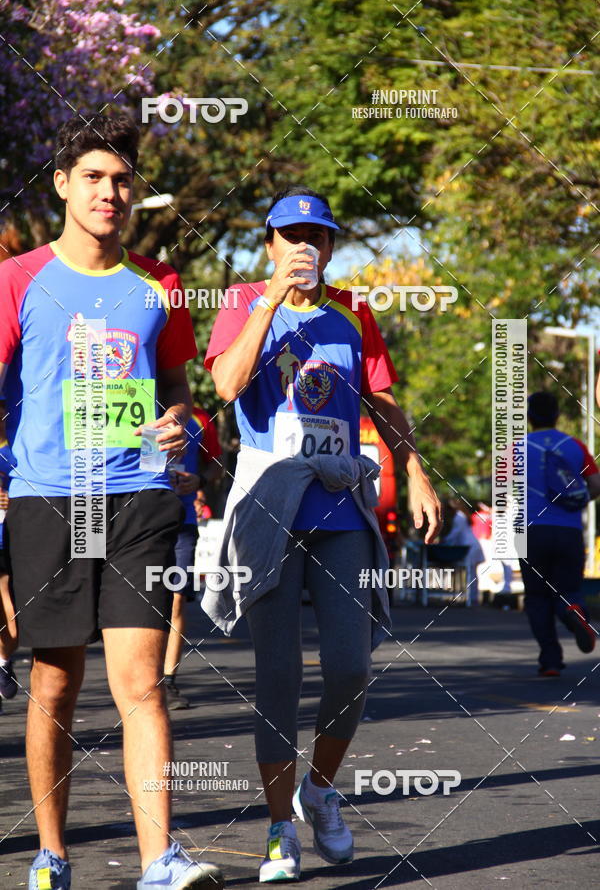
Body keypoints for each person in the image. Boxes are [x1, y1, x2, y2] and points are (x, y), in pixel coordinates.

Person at [0, 114, 223, 890]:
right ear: (63, 185)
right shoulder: (19, 278)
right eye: (93, 178)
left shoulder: (158, 283)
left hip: (135, 498)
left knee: (141, 683)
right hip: (49, 500)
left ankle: (162, 858)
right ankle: (51, 854)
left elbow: (177, 392)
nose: (109, 192)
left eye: (122, 180)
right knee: (54, 682)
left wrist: (180, 433)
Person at [203, 185, 441, 882]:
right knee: (277, 676)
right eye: (292, 235)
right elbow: (225, 384)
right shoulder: (243, 303)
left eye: (319, 236)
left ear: (331, 246)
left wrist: (415, 468)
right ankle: (281, 828)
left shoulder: (354, 314)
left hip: (339, 507)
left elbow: (384, 400)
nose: (307, 246)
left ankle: (320, 789)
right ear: (269, 243)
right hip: (271, 505)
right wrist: (272, 302)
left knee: (352, 664)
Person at [521, 391, 599, 677]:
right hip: (569, 531)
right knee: (568, 590)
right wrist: (576, 503)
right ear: (557, 415)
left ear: (529, 417)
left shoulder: (516, 448)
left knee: (537, 597)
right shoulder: (575, 446)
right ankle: (573, 611)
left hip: (530, 531)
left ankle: (550, 660)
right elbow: (596, 483)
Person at [163, 407, 221, 710]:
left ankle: (168, 681)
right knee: (144, 599)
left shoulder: (200, 419)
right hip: (142, 522)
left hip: (183, 522)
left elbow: (217, 465)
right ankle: (141, 675)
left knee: (176, 598)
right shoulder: (137, 406)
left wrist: (198, 481)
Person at [0, 399, 18, 707]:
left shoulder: (14, 450)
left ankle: (3, 662)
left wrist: (12, 499)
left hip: (8, 537)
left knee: (9, 605)